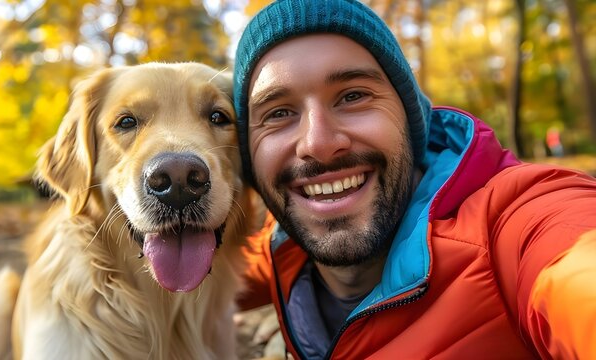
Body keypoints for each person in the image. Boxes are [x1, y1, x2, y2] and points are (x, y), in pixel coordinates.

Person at [233, 0, 596, 358]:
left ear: (409, 118)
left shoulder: (516, 222)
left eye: (353, 96)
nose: (319, 143)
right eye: (278, 113)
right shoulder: (278, 249)